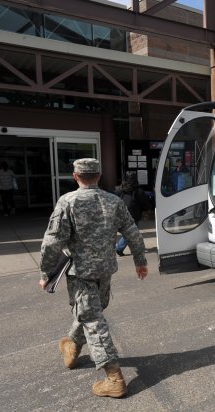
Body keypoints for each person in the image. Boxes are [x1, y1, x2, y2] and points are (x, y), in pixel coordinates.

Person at [38, 158, 148, 398]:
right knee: (91, 313)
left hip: (81, 273)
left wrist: (45, 272)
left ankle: (114, 378)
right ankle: (72, 346)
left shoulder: (68, 201)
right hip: (105, 271)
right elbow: (132, 232)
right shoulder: (114, 201)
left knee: (94, 322)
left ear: (76, 176)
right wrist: (140, 261)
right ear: (98, 176)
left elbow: (52, 241)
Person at [115, 171, 152, 257]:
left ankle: (136, 248)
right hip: (134, 214)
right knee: (130, 232)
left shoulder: (120, 189)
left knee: (130, 232)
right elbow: (144, 203)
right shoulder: (138, 190)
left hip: (122, 212)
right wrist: (148, 207)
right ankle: (119, 247)